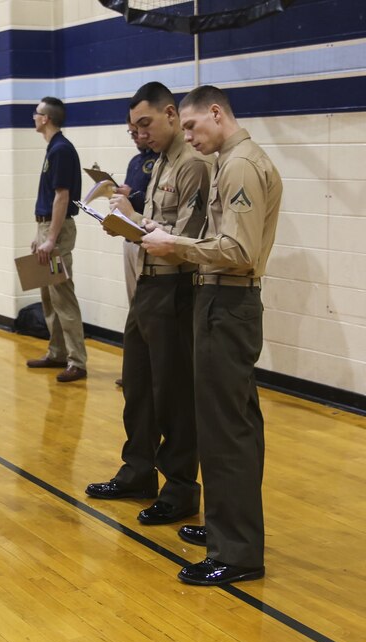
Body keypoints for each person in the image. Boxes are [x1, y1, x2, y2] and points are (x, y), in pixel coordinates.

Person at [142, 84, 282, 586]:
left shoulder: (240, 164)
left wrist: (176, 245)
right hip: (222, 301)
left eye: (192, 126)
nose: (189, 137)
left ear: (216, 113)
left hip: (227, 301)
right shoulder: (234, 160)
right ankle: (227, 526)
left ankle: (237, 551)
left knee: (226, 430)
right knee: (231, 424)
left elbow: (239, 251)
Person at [86, 82, 211, 528]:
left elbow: (185, 240)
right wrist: (124, 223)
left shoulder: (193, 163)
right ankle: (138, 470)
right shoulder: (157, 162)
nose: (141, 134)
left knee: (173, 395)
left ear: (171, 114)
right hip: (148, 286)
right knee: (137, 386)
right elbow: (154, 226)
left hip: (174, 289)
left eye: (146, 123)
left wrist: (134, 220)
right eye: (134, 128)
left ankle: (180, 488)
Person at [25, 97, 87, 382]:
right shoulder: (54, 148)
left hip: (56, 231)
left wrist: (51, 239)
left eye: (36, 113)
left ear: (46, 118)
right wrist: (39, 235)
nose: (33, 116)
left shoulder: (61, 150)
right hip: (47, 227)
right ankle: (57, 352)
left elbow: (62, 196)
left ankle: (77, 361)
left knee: (62, 296)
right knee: (49, 296)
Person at [120, 120, 160, 305]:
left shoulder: (159, 160)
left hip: (146, 236)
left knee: (146, 301)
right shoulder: (134, 161)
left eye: (136, 132)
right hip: (128, 235)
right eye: (131, 133)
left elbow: (156, 202)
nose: (135, 137)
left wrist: (132, 194)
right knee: (133, 299)